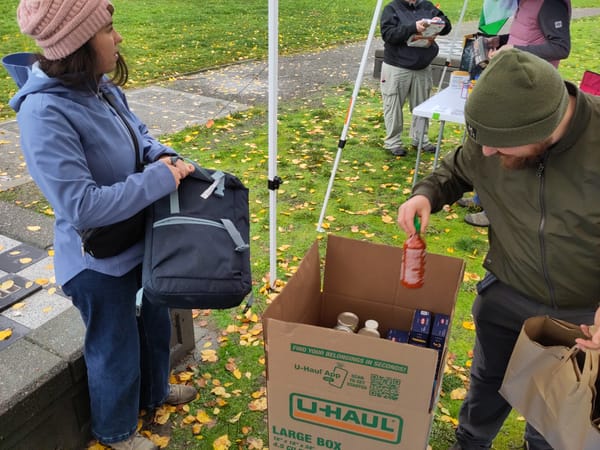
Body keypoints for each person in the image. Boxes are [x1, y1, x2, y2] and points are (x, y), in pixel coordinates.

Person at [10, 1, 198, 449]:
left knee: (154, 324)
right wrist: (157, 179)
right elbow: (82, 206)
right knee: (114, 351)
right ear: (76, 45)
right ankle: (116, 432)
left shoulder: (100, 87)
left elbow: (139, 133)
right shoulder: (43, 114)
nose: (119, 39)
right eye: (108, 30)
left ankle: (154, 392)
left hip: (140, 242)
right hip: (97, 263)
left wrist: (159, 155)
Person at [397, 49, 600, 450]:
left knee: (554, 406)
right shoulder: (494, 134)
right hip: (507, 293)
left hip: (582, 315)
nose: (487, 153)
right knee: (487, 383)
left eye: (501, 147)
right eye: (483, 141)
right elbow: (457, 168)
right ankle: (470, 443)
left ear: (542, 132)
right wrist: (426, 194)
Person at [460, 0, 571, 227]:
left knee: (511, 150)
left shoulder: (550, 3)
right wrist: (500, 41)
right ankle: (482, 198)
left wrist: (516, 50)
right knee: (492, 144)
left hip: (529, 89)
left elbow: (561, 47)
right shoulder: (524, 2)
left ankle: (496, 212)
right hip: (511, 83)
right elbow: (526, 34)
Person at [379, 0, 452, 156]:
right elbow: (388, 34)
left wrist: (441, 23)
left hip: (422, 66)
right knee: (393, 105)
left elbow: (447, 26)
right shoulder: (391, 8)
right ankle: (393, 142)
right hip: (396, 66)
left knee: (422, 106)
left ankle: (420, 139)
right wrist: (413, 27)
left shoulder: (427, 6)